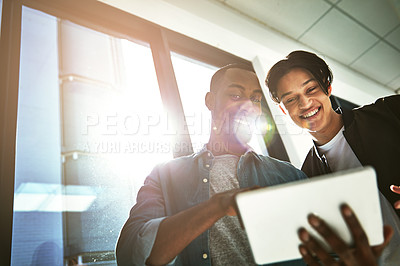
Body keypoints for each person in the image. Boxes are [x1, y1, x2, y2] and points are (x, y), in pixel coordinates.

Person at [116, 64, 392, 266]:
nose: (247, 105)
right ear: (210, 102)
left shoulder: (291, 175)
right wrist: (217, 206)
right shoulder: (164, 176)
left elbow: (328, 253)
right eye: (235, 95)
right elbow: (131, 254)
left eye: (256, 98)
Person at [266, 50, 400, 264]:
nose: (305, 103)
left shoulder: (389, 111)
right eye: (291, 99)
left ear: (328, 87)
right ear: (284, 110)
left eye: (311, 89)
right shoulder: (307, 176)